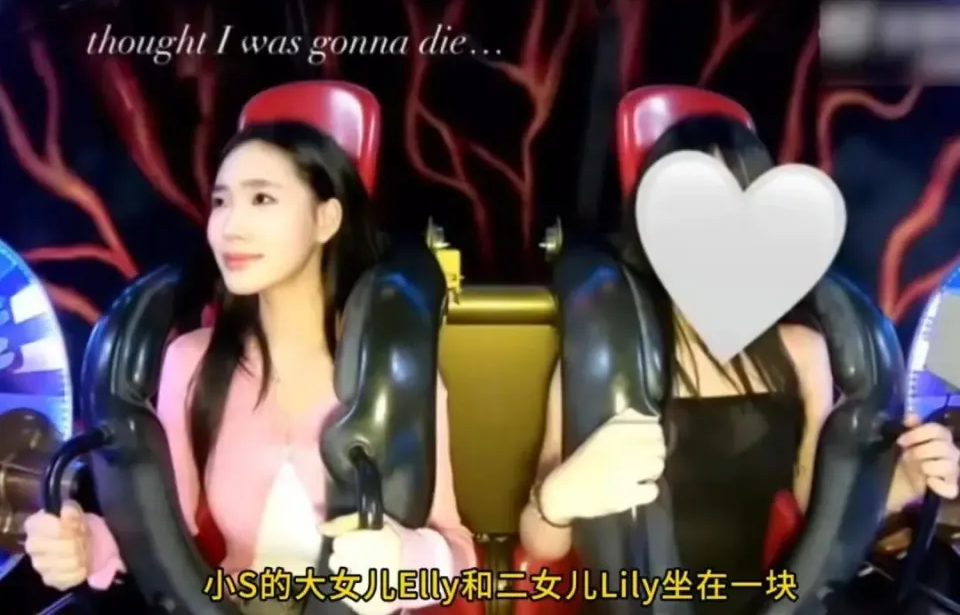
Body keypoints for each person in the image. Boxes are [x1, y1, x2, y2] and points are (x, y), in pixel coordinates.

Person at [23, 121, 475, 615]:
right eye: (221, 202)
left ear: (326, 219)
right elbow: (163, 522)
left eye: (262, 198)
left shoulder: (390, 370)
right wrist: (86, 542)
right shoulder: (192, 363)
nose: (231, 225)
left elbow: (458, 550)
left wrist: (408, 559)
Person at [519, 115, 960, 612]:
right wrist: (558, 499)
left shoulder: (802, 352)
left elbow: (817, 506)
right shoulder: (609, 352)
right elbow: (541, 542)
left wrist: (902, 482)